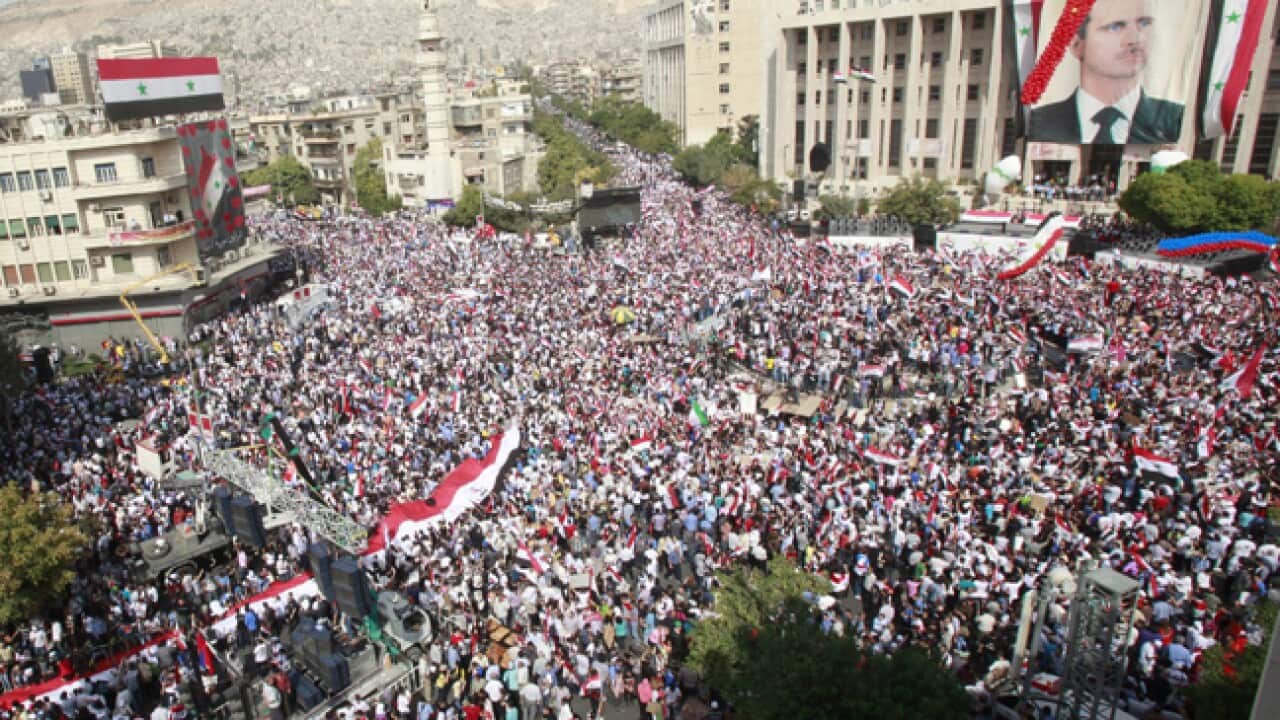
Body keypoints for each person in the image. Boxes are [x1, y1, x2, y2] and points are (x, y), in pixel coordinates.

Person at [1029, 0, 1183, 144]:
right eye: (1115, 27)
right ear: (1077, 45)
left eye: (1143, 23)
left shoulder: (1173, 118)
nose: (1134, 40)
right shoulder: (1041, 121)